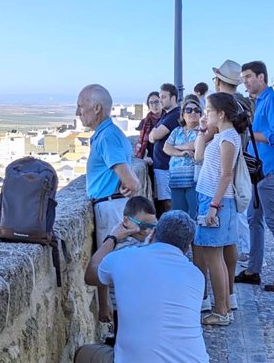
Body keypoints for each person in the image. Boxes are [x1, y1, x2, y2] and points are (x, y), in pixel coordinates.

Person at [85, 210, 209, 363]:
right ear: (187, 248)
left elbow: (91, 275)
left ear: (154, 232)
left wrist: (113, 238)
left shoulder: (125, 257)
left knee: (84, 354)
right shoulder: (196, 276)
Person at [77, 84, 140, 323]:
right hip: (113, 205)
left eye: (81, 107)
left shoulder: (107, 137)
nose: (78, 112)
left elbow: (130, 179)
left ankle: (124, 334)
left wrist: (130, 184)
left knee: (116, 272)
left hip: (110, 208)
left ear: (97, 108)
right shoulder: (111, 133)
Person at [235, 61, 274, 292]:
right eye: (243, 77)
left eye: (249, 76)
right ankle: (253, 270)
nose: (245, 81)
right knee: (254, 220)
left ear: (262, 77)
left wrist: (249, 133)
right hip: (257, 171)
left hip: (269, 170)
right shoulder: (260, 102)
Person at [193, 93, 248, 326]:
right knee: (217, 259)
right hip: (211, 198)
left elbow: (226, 175)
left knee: (214, 258)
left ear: (221, 113)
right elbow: (198, 156)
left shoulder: (228, 138)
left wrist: (213, 206)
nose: (206, 114)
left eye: (209, 110)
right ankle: (224, 307)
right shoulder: (222, 135)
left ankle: (221, 311)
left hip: (216, 200)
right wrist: (203, 130)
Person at [209, 60, 252, 266]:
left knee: (232, 215)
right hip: (242, 159)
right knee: (241, 212)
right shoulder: (245, 102)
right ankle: (246, 252)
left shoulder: (223, 106)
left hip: (228, 161)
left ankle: (241, 255)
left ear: (218, 81)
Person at [101, 196, 157, 345]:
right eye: (143, 226)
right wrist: (103, 306)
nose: (147, 231)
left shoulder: (146, 241)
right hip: (122, 309)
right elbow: (101, 275)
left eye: (152, 226)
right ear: (126, 221)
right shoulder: (118, 247)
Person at [163, 95, 202, 219]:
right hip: (176, 180)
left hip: (194, 181)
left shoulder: (202, 131)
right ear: (183, 114)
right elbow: (166, 148)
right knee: (178, 216)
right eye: (189, 110)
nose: (193, 113)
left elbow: (196, 145)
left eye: (197, 110)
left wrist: (178, 146)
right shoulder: (176, 131)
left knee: (194, 215)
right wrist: (181, 153)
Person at [148, 83, 180, 214]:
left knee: (168, 202)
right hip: (163, 166)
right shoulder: (167, 115)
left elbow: (154, 135)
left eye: (163, 97)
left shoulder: (174, 115)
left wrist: (153, 134)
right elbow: (151, 137)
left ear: (173, 98)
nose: (160, 100)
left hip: (166, 167)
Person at [134, 91, 163, 162]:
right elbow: (141, 143)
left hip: (167, 159)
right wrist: (144, 158)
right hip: (152, 160)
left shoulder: (168, 119)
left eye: (156, 102)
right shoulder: (145, 122)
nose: (154, 105)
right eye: (151, 103)